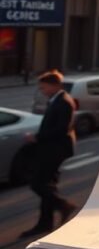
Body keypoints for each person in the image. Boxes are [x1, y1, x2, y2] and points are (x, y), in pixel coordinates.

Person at [21, 71, 77, 238]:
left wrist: (36, 137)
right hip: (51, 148)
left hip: (55, 149)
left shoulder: (64, 102)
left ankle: (64, 205)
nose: (42, 91)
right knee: (47, 185)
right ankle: (44, 223)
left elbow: (61, 129)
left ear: (55, 85)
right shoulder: (57, 100)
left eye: (44, 87)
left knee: (37, 184)